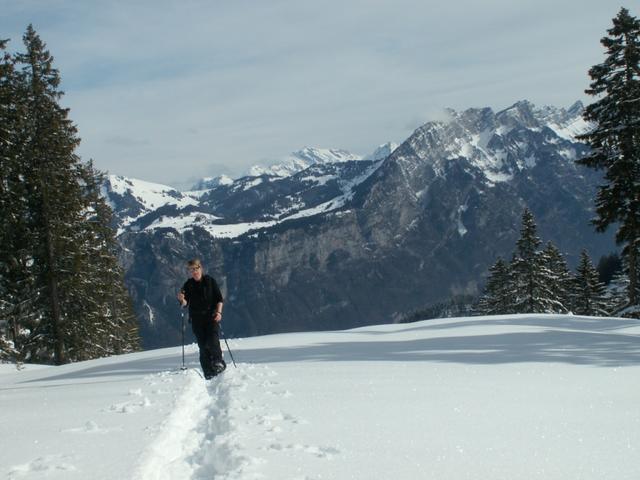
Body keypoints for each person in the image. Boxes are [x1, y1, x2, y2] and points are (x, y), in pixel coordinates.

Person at [177, 259, 226, 379]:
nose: (194, 271)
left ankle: (218, 362)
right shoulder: (188, 285)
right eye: (191, 269)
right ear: (189, 272)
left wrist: (219, 312)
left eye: (196, 268)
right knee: (203, 345)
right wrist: (181, 299)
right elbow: (184, 304)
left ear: (201, 268)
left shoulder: (210, 281)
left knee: (212, 339)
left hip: (211, 316)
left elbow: (219, 299)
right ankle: (208, 371)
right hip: (196, 319)